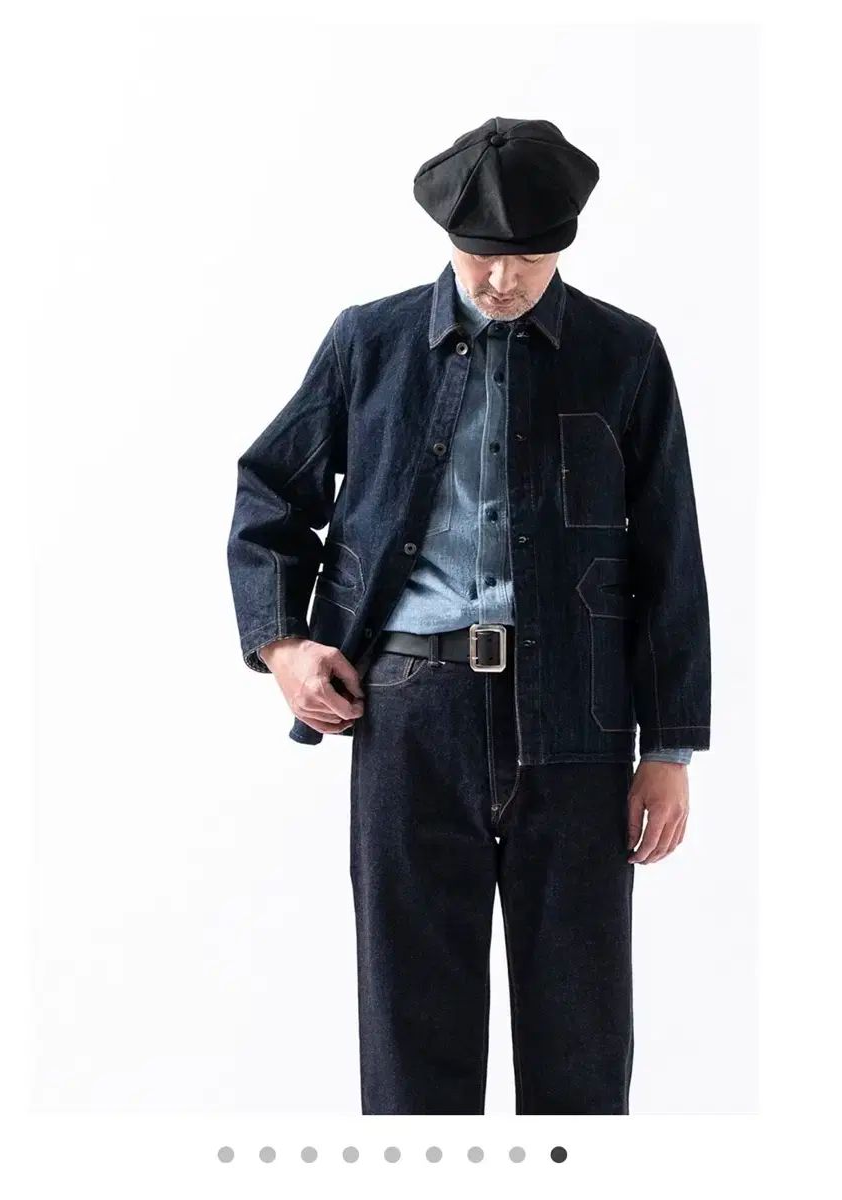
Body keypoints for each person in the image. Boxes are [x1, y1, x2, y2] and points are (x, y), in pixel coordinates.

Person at [226, 117, 711, 1115]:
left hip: (575, 720)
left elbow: (669, 556)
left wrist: (667, 750)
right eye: (480, 256)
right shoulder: (369, 342)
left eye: (526, 259)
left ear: (564, 243)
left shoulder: (622, 354)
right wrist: (283, 645)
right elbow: (270, 491)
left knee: (581, 1029)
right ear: (448, 239)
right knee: (411, 1025)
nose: (499, 280)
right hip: (410, 708)